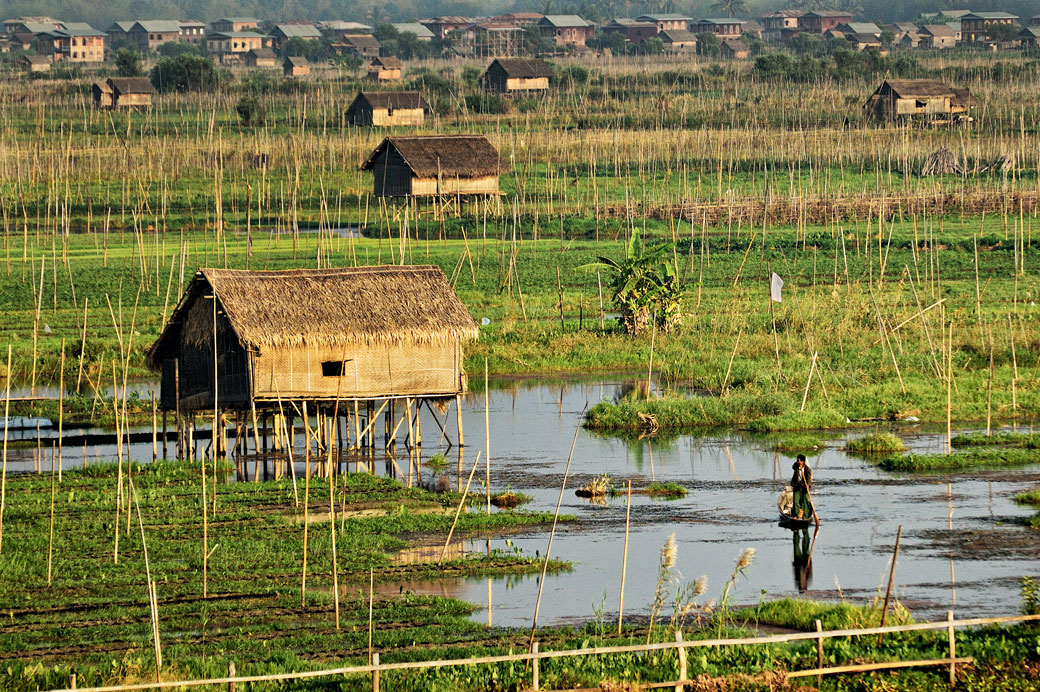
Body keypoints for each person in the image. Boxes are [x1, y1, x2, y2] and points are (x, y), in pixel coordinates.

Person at [790, 454, 813, 520]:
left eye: (799, 461)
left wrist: (808, 485)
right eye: (797, 460)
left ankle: (805, 516)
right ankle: (796, 515)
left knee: (805, 501)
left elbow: (809, 478)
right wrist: (798, 464)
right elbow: (793, 467)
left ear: (803, 462)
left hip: (804, 487)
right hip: (797, 486)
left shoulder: (807, 469)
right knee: (796, 501)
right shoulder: (796, 466)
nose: (797, 462)